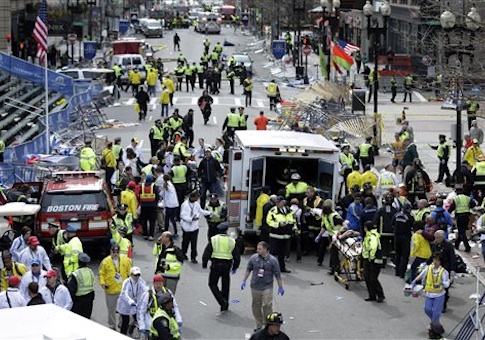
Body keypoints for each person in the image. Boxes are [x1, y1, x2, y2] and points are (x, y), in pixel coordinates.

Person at [241, 241, 284, 331]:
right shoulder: (253, 258)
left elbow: (277, 274)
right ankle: (259, 325)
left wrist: (280, 287)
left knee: (267, 305)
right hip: (255, 286)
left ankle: (268, 324)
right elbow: (248, 269)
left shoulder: (273, 261)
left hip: (267, 287)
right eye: (257, 248)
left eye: (259, 249)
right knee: (256, 305)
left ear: (265, 249)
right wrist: (244, 280)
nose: (257, 250)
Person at [202, 222, 240, 313]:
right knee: (225, 285)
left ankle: (221, 300)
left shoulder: (214, 239)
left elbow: (207, 253)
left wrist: (204, 263)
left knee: (212, 284)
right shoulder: (231, 241)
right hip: (227, 265)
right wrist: (235, 267)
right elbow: (236, 256)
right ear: (226, 230)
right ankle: (225, 304)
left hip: (216, 264)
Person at [411, 253, 450, 339]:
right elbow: (421, 275)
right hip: (429, 293)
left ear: (440, 262)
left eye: (438, 260)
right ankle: (436, 324)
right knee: (427, 309)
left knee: (436, 313)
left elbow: (447, 284)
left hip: (439, 295)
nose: (435, 262)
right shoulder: (428, 268)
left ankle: (434, 332)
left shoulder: (443, 272)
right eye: (434, 259)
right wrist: (414, 281)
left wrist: (442, 283)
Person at [98, 244, 132, 330]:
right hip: (111, 290)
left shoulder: (125, 260)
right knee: (111, 310)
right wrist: (102, 283)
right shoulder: (105, 262)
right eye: (114, 252)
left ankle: (122, 323)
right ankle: (112, 325)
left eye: (117, 252)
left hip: (122, 290)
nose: (115, 254)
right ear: (111, 251)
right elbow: (101, 274)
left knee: (123, 309)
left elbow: (129, 272)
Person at [266, 196, 295, 273]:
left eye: (279, 202)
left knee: (282, 253)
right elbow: (269, 221)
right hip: (275, 235)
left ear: (283, 202)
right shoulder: (272, 211)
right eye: (277, 202)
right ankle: (269, 268)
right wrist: (278, 224)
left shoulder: (289, 210)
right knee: (272, 252)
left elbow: (293, 220)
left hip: (285, 235)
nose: (278, 203)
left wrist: (292, 227)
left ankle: (282, 268)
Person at [180, 191, 211, 263]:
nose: (197, 199)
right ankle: (183, 254)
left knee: (194, 243)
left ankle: (193, 257)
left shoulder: (196, 204)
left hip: (194, 227)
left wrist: (209, 213)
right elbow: (182, 216)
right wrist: (191, 219)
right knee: (185, 242)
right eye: (196, 197)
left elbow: (200, 211)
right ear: (192, 197)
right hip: (186, 227)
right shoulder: (185, 205)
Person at [117, 266, 148, 335]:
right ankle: (122, 335)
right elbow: (123, 294)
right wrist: (130, 302)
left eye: (138, 275)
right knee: (125, 321)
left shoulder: (141, 281)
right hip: (125, 305)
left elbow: (146, 289)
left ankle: (131, 328)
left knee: (137, 319)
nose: (137, 277)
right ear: (131, 275)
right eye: (135, 275)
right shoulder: (126, 282)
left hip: (135, 304)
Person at [362, 221, 385, 302]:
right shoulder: (368, 235)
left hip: (374, 261)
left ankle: (380, 295)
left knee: (373, 279)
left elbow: (373, 247)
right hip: (368, 260)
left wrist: (371, 257)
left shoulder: (372, 236)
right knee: (367, 277)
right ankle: (372, 295)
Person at [67, 253, 95, 319]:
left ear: (79, 262)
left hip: (78, 300)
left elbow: (71, 289)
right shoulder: (90, 271)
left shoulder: (76, 274)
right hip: (89, 299)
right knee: (87, 319)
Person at [448, 188, 475, 252]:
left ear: (456, 192)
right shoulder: (467, 198)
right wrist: (468, 207)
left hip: (460, 217)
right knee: (462, 231)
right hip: (467, 216)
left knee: (462, 232)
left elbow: (451, 208)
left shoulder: (455, 199)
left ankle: (467, 247)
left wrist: (448, 212)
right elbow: (474, 204)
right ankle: (456, 245)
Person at [392, 203, 413, 278]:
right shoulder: (409, 217)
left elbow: (392, 224)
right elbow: (411, 226)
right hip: (405, 237)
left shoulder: (396, 215)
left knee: (397, 254)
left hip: (396, 237)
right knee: (404, 255)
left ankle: (397, 271)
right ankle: (402, 272)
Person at [140, 174, 161, 241]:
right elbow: (157, 196)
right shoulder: (154, 186)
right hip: (152, 206)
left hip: (143, 206)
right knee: (152, 221)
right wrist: (156, 203)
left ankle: (145, 234)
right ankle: (151, 235)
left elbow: (139, 195)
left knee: (144, 220)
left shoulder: (142, 186)